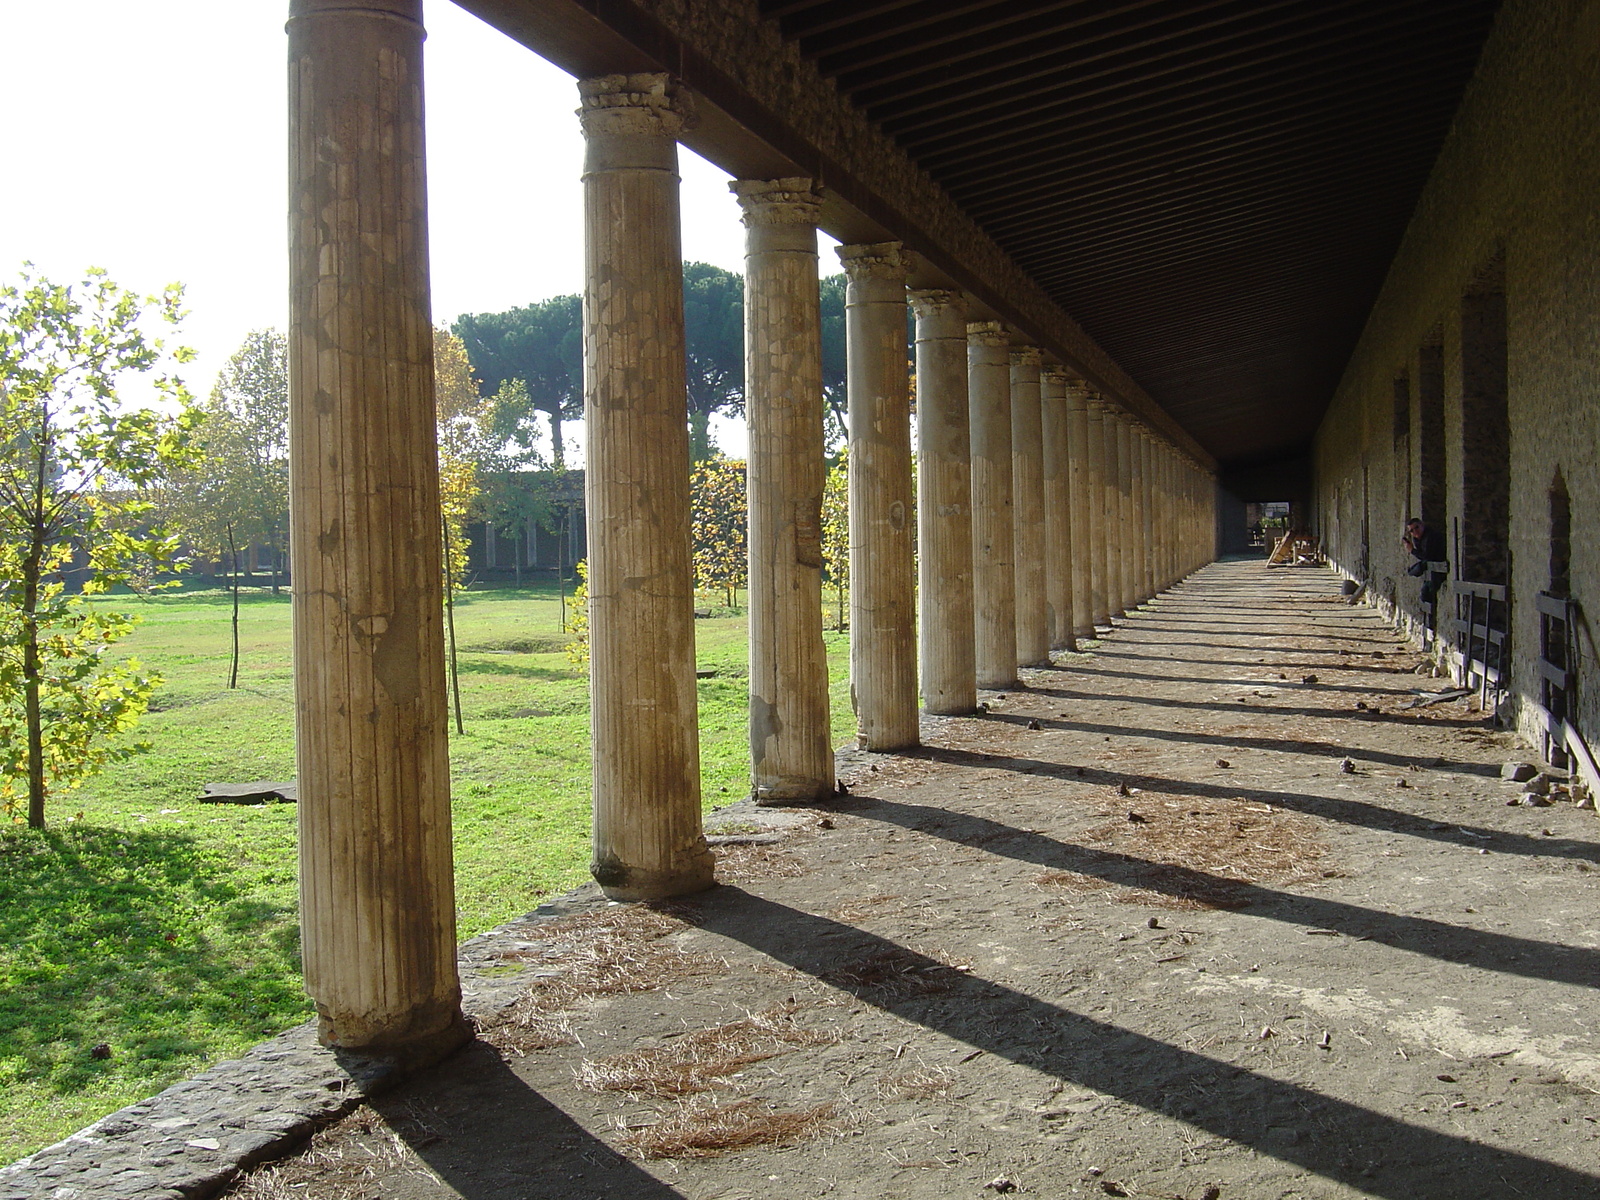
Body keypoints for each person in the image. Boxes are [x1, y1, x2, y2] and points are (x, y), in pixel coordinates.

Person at [1403, 517, 1447, 606]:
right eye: (1411, 531)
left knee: (1427, 592)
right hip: (1431, 568)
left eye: (1417, 527)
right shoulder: (1418, 539)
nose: (1415, 532)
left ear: (1422, 525)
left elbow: (1427, 556)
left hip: (1438, 567)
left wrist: (1412, 551)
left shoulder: (1431, 536)